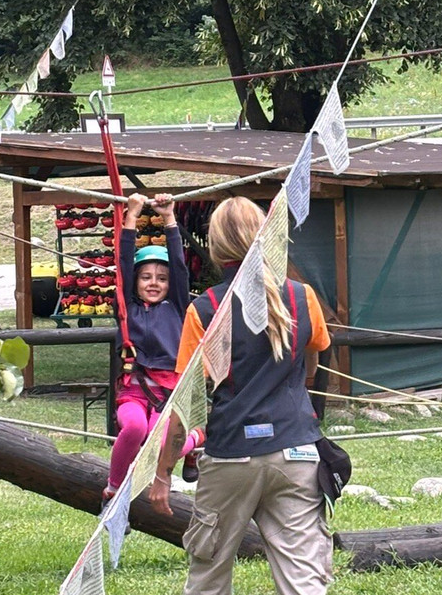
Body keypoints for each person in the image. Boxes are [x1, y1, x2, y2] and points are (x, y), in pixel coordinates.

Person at [149, 197, 333, 595]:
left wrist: (163, 471)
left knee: (208, 578)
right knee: (305, 581)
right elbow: (312, 369)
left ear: (214, 248)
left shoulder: (204, 309)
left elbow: (183, 410)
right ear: (264, 237)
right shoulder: (304, 297)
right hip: (297, 451)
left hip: (232, 453)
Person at [105, 192, 203, 502]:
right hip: (134, 388)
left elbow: (178, 265)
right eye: (145, 277)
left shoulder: (176, 306)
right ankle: (113, 490)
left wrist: (169, 218)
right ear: (135, 281)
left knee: (161, 445)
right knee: (134, 429)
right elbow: (121, 266)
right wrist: (130, 218)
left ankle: (197, 438)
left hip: (167, 392)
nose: (153, 283)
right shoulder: (126, 309)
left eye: (161, 278)